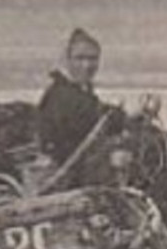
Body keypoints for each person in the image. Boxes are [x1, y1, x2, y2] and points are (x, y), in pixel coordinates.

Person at [37, 27, 122, 169]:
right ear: (67, 60)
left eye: (93, 59)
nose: (87, 65)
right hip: (69, 170)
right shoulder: (60, 95)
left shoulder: (81, 93)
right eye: (80, 58)